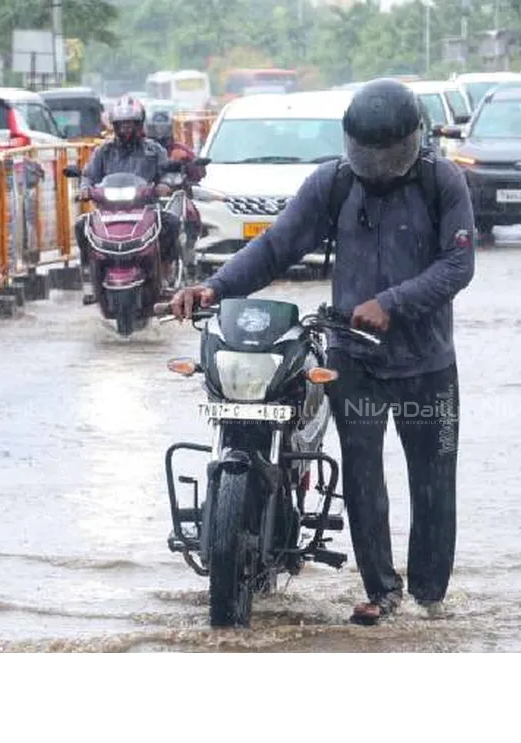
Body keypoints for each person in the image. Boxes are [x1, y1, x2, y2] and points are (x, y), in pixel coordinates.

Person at [168, 78, 476, 625]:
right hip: (351, 358)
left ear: (410, 142)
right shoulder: (331, 184)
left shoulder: (441, 182)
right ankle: (381, 591)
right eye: (366, 155)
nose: (375, 166)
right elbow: (275, 246)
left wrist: (392, 302)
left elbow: (458, 266)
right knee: (361, 477)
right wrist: (216, 287)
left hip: (426, 364)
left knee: (433, 485)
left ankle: (430, 597)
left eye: (386, 155)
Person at [75, 96, 180, 303]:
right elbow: (88, 175)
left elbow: (167, 171)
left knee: (172, 222)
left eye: (130, 124)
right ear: (114, 126)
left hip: (146, 208)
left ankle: (167, 270)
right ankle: (89, 276)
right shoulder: (103, 151)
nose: (126, 129)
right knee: (81, 226)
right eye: (121, 124)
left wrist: (165, 184)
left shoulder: (154, 150)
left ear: (139, 124)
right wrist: (85, 189)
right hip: (108, 210)